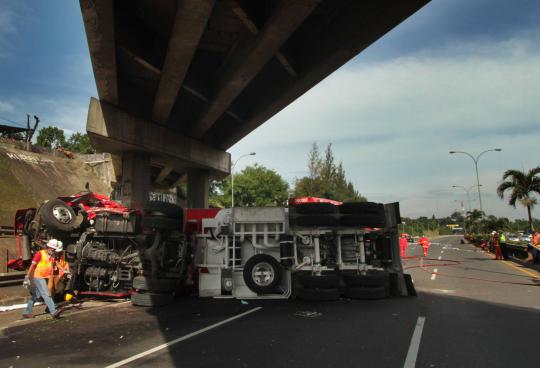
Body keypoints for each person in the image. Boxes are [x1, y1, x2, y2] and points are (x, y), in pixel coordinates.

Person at [22, 239, 62, 319]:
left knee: (36, 295)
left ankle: (26, 312)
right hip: (39, 277)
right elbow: (32, 266)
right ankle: (53, 311)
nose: (54, 251)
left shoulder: (51, 256)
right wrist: (27, 277)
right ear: (48, 247)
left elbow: (55, 263)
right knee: (46, 293)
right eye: (53, 249)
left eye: (54, 249)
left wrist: (63, 270)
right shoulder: (39, 254)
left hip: (44, 277)